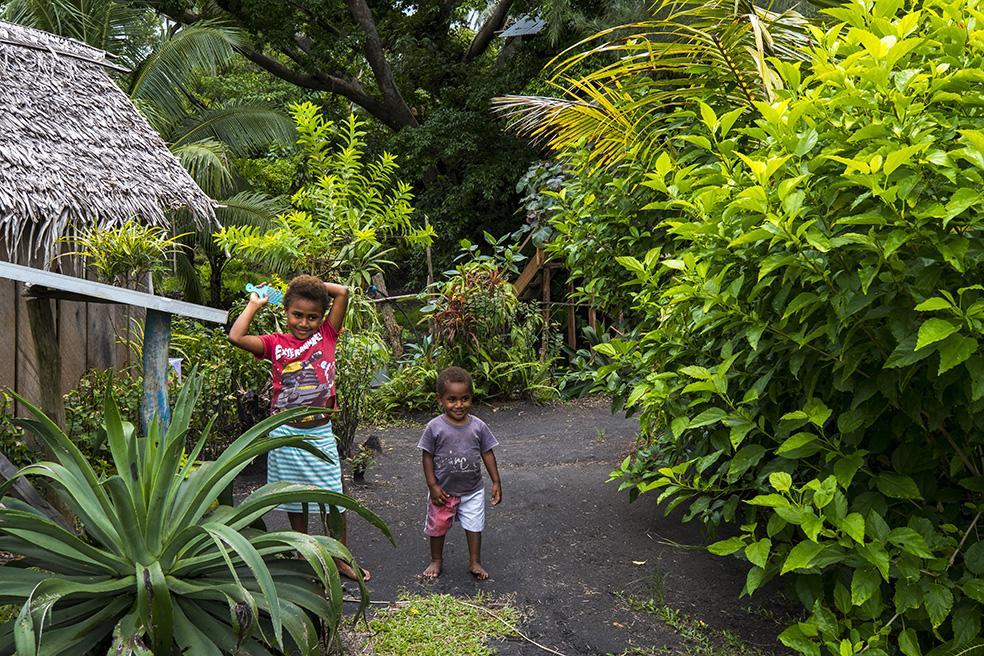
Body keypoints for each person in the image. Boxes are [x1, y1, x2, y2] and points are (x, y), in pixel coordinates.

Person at [228, 274, 370, 581]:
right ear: (286, 313)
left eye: (312, 317)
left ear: (322, 317)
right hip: (286, 433)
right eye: (297, 315)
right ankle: (303, 550)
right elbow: (237, 337)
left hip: (319, 433)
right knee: (295, 496)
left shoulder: (327, 335)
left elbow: (342, 291)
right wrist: (255, 304)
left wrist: (302, 284)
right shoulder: (275, 344)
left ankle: (340, 557)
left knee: (334, 495)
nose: (304, 323)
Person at [418, 366, 502, 580]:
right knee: (438, 527)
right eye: (452, 399)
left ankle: (475, 561)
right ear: (440, 400)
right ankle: (436, 559)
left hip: (472, 489)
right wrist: (433, 486)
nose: (459, 405)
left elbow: (487, 453)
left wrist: (496, 481)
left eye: (464, 399)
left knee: (475, 526)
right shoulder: (434, 427)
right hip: (443, 491)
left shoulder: (478, 427)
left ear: (471, 398)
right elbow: (427, 456)